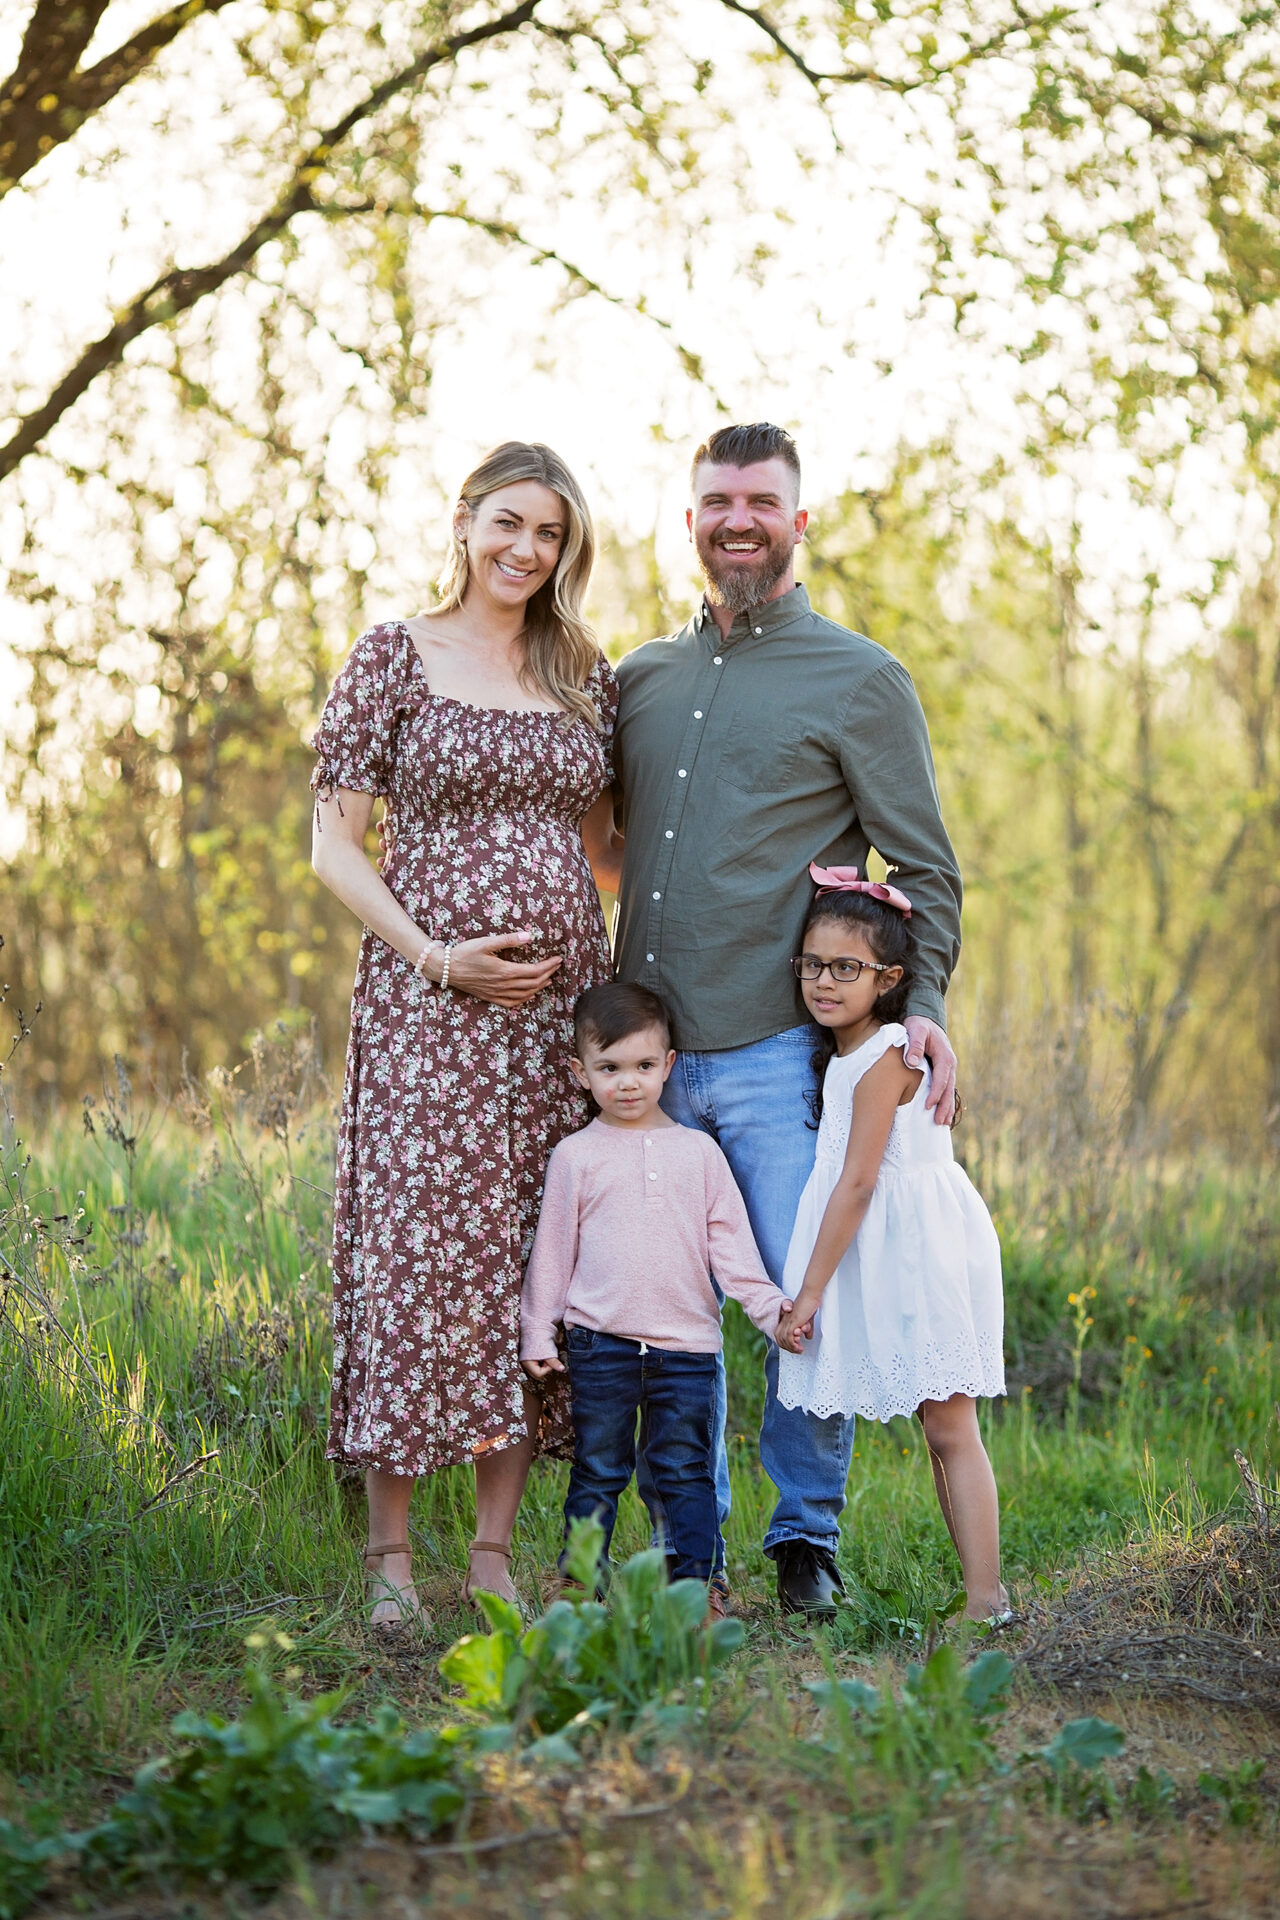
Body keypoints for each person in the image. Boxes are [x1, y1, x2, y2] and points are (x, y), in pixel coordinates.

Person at [612, 421, 964, 1618]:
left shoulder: (858, 679)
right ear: (693, 519)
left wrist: (916, 1013)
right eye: (717, 501)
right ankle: (685, 1553)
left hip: (772, 1058)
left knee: (798, 1311)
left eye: (759, 501)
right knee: (664, 1322)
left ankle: (804, 1542)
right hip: (646, 1069)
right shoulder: (641, 679)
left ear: (797, 522)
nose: (737, 521)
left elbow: (924, 869)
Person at [310, 441, 622, 1628]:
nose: (524, 550)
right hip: (425, 1012)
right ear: (464, 522)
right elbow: (335, 846)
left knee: (529, 1261)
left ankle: (491, 1554)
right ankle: (391, 1560)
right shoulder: (394, 653)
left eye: (548, 534)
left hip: (553, 1020)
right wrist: (439, 957)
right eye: (508, 523)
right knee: (415, 1257)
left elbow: (603, 849)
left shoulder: (582, 672)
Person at [775, 867, 1007, 1620]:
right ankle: (981, 1595)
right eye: (813, 965)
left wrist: (808, 1291)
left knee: (949, 1423)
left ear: (891, 978)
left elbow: (859, 1183)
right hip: (890, 1250)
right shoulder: (848, 1053)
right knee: (938, 1426)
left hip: (921, 1251)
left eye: (847, 968)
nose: (824, 981)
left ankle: (987, 1598)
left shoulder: (885, 1056)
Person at [519, 983, 792, 1612]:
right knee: (598, 1468)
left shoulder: (699, 1154)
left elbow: (733, 1251)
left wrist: (772, 1313)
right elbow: (552, 1254)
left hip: (686, 1348)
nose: (628, 1083)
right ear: (579, 1073)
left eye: (644, 1066)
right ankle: (580, 1583)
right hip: (601, 1343)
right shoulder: (576, 1156)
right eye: (609, 1069)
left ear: (668, 1065)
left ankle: (693, 1590)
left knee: (682, 1473)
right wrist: (538, 1330)